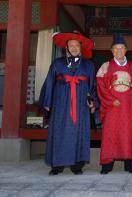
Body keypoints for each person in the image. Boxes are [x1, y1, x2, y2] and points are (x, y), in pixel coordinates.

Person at [39, 32, 97, 175]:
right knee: (59, 131)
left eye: (77, 45)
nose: (75, 48)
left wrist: (92, 101)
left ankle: (77, 166)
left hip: (80, 105)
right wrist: (47, 102)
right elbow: (49, 82)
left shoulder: (88, 65)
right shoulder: (57, 63)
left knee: (79, 132)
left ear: (81, 48)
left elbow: (93, 85)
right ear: (66, 47)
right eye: (71, 45)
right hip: (60, 103)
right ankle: (57, 166)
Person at [96, 33, 132, 174]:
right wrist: (110, 100)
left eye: (122, 48)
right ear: (111, 51)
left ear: (126, 50)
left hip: (128, 108)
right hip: (112, 107)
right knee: (110, 135)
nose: (119, 51)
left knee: (128, 134)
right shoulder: (106, 66)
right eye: (116, 48)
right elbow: (100, 86)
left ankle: (129, 164)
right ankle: (107, 164)